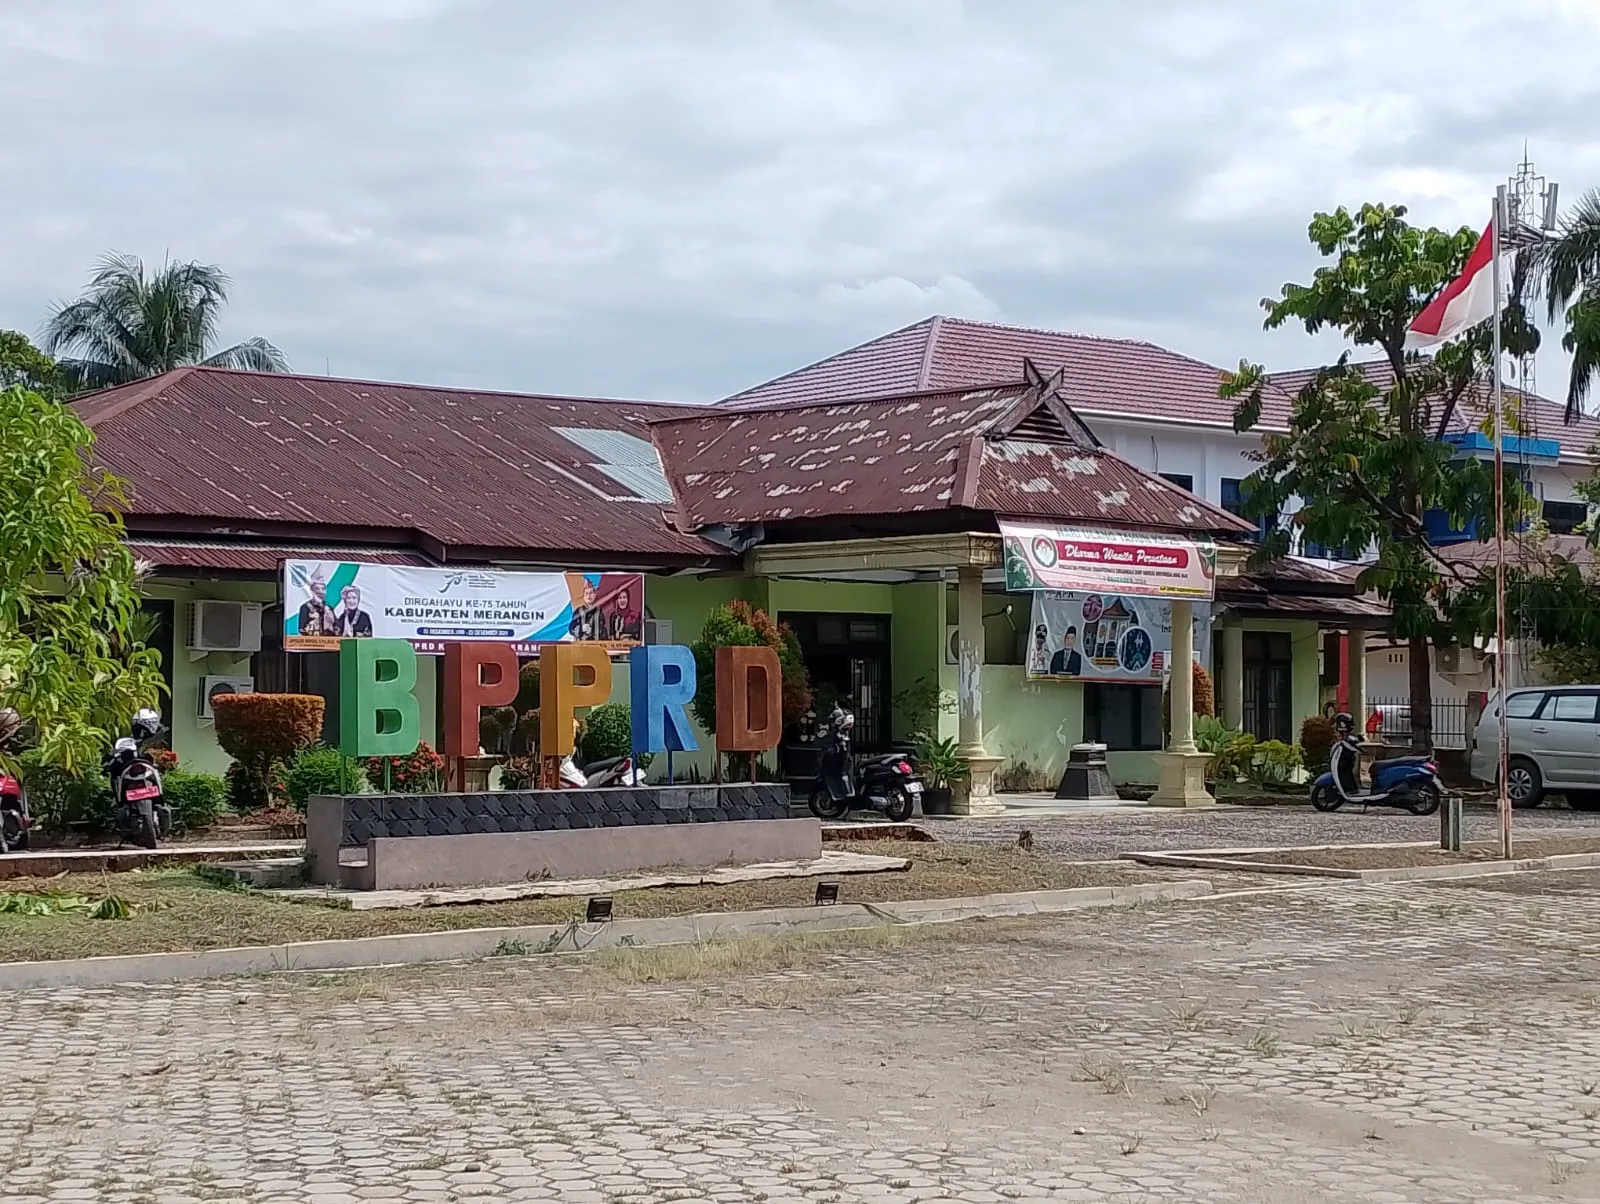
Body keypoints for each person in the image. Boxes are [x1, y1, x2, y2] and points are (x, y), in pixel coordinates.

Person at [297, 569, 335, 636]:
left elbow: (336, 628)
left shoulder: (329, 608)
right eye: (317, 589)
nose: (320, 592)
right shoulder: (305, 607)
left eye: (323, 589)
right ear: (312, 591)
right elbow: (302, 629)